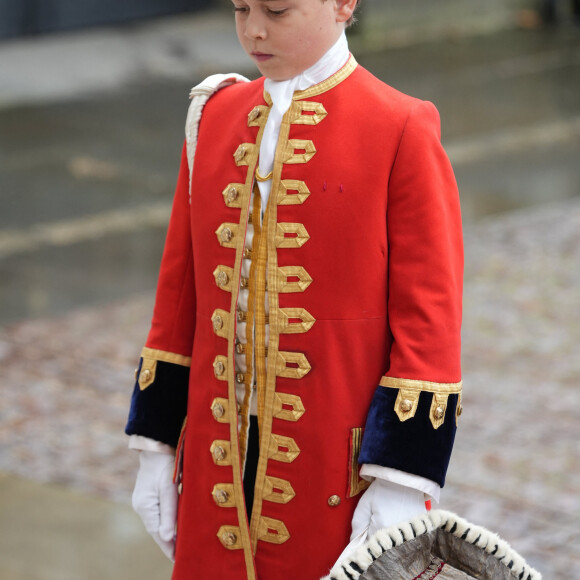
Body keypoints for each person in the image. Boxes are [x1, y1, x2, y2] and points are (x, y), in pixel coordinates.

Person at [125, 1, 463, 578]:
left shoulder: (399, 124)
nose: (254, 30)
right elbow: (181, 291)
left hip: (335, 466)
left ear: (343, 4)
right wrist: (155, 446)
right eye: (241, 8)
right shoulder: (214, 115)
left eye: (277, 10)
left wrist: (401, 480)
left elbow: (429, 313)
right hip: (217, 461)